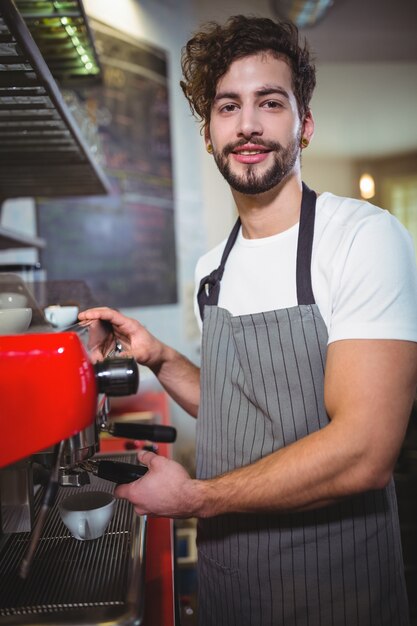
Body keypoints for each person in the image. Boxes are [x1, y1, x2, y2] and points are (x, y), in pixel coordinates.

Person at [79, 15, 417, 626]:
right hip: (232, 590)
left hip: (335, 595)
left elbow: (366, 451)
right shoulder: (216, 268)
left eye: (270, 102)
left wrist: (198, 497)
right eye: (228, 106)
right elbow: (243, 414)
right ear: (209, 133)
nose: (249, 125)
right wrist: (159, 356)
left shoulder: (361, 238)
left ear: (304, 124)